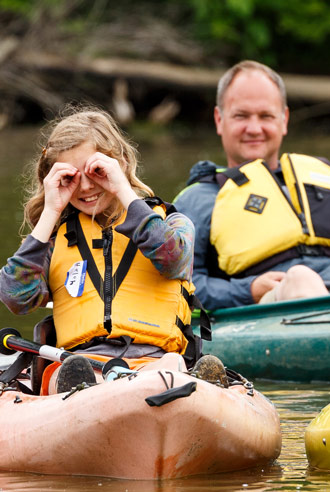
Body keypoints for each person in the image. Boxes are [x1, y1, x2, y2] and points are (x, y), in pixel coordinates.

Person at [0, 108, 211, 394]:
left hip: (154, 361)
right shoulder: (53, 242)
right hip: (79, 366)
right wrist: (51, 211)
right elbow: (15, 297)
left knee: (172, 365)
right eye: (71, 178)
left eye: (96, 172)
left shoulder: (173, 224)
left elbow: (174, 261)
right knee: (74, 373)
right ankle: (88, 393)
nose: (85, 186)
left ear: (120, 164)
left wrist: (124, 190)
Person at [174, 60, 330, 311]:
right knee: (301, 278)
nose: (254, 128)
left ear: (284, 119)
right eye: (241, 116)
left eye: (266, 116)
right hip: (276, 312)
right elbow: (181, 284)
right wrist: (247, 290)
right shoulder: (198, 198)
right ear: (219, 119)